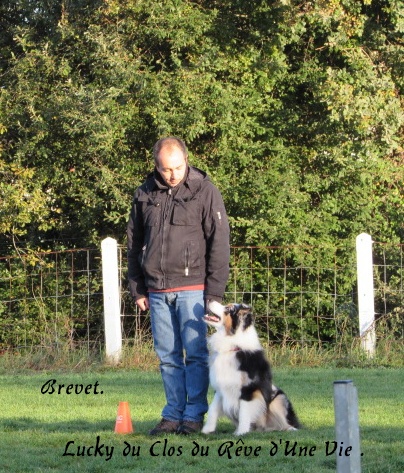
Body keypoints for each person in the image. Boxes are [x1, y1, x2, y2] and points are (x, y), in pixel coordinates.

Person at [127, 136, 230, 435]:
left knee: (196, 354)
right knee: (167, 357)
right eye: (166, 169)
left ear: (187, 159)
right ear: (156, 165)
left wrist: (214, 295)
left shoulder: (206, 192)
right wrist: (137, 288)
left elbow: (219, 245)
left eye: (177, 167)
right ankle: (172, 414)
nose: (172, 174)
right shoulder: (144, 193)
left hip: (193, 289)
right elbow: (134, 245)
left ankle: (194, 414)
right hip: (157, 290)